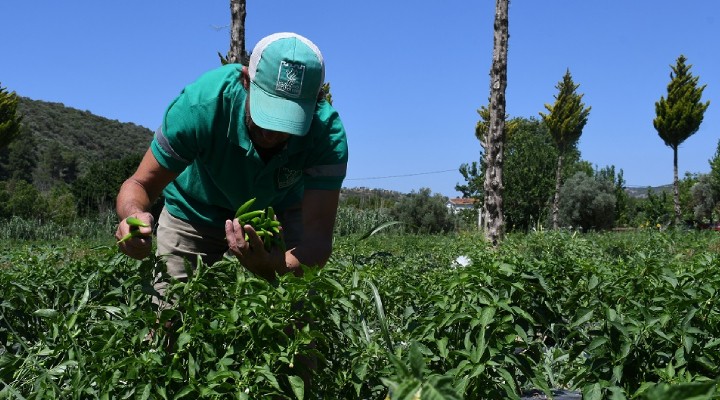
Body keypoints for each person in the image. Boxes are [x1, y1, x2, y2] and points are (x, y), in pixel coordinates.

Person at [114, 32, 348, 295]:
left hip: (278, 213)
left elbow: (316, 241)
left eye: (288, 122)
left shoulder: (326, 134)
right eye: (266, 114)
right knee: (172, 313)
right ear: (246, 80)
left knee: (295, 311)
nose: (272, 133)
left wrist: (278, 266)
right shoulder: (200, 106)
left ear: (316, 101)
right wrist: (133, 217)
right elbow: (139, 184)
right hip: (195, 209)